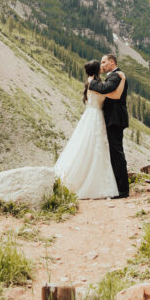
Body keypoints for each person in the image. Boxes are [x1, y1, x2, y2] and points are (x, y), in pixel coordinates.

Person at [54, 59, 125, 199]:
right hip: (96, 116)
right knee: (96, 148)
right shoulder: (95, 84)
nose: (102, 67)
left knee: (88, 147)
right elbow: (116, 95)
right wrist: (122, 80)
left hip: (91, 115)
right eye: (101, 65)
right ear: (97, 69)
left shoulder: (90, 82)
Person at [88, 54, 130, 198]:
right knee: (115, 152)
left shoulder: (116, 76)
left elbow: (105, 89)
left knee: (116, 152)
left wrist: (91, 82)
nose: (102, 64)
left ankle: (123, 190)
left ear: (112, 62)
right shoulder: (115, 75)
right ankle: (120, 187)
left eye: (104, 62)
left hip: (115, 118)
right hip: (112, 118)